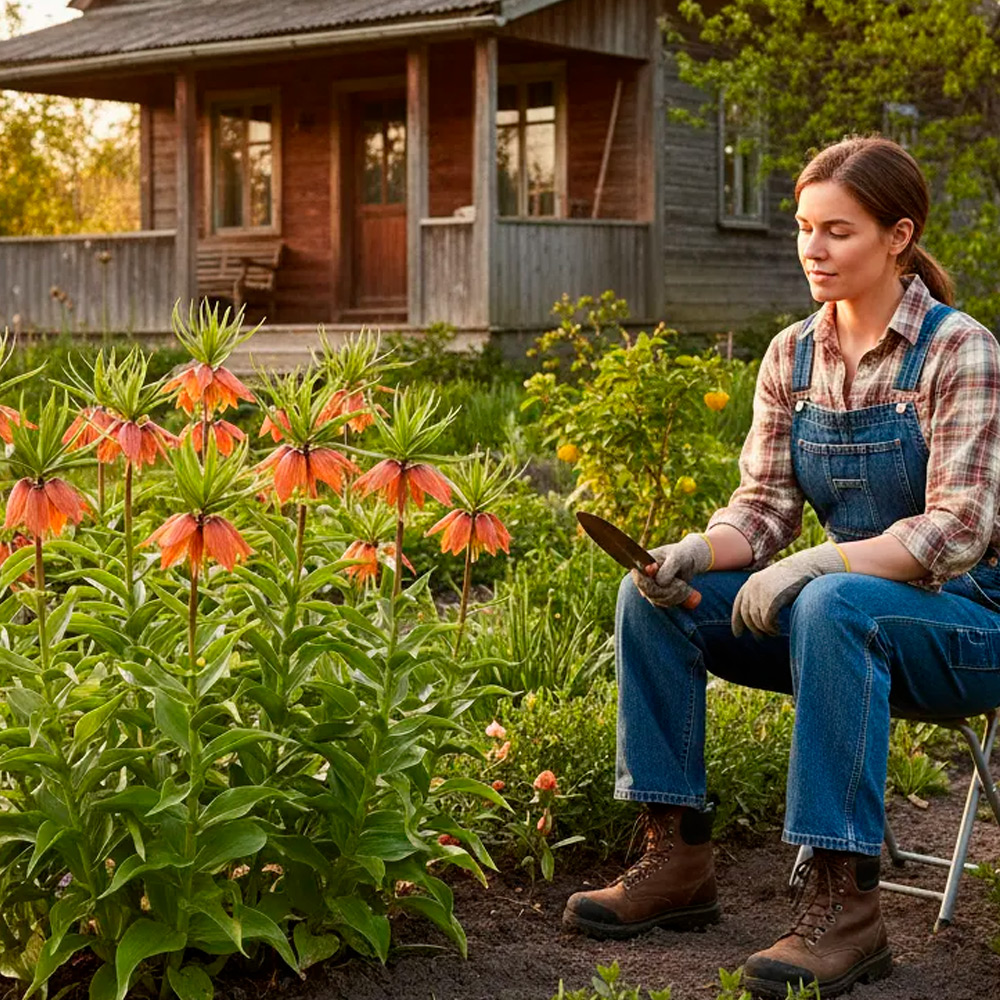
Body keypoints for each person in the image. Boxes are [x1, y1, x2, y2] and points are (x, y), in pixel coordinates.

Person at [561, 135, 1000, 999]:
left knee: (834, 602)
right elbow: (761, 513)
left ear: (898, 235)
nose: (813, 249)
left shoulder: (961, 351)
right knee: (651, 599)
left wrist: (816, 563)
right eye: (804, 228)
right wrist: (696, 550)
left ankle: (847, 908)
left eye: (837, 231)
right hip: (834, 620)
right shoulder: (792, 355)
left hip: (968, 626)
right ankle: (675, 857)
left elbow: (959, 530)